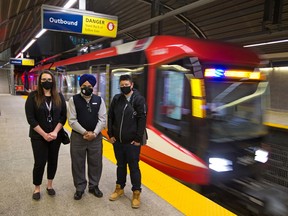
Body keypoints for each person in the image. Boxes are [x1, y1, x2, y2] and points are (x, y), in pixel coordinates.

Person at [25, 70, 67, 201]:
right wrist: (44, 134)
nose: (46, 82)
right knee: (39, 162)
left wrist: (55, 132)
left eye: (49, 79)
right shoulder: (33, 96)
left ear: (53, 81)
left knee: (53, 160)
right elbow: (31, 119)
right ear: (40, 81)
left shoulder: (59, 96)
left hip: (55, 136)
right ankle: (37, 187)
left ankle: (49, 185)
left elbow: (63, 116)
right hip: (38, 136)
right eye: (43, 79)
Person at [108, 74, 147, 208]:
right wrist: (110, 134)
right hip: (117, 141)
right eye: (122, 85)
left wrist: (137, 138)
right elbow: (110, 116)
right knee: (120, 165)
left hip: (132, 142)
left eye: (126, 85)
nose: (124, 87)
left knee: (134, 167)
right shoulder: (117, 98)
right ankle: (119, 188)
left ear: (132, 85)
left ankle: (136, 193)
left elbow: (142, 119)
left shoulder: (138, 99)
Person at [67, 74, 107, 200]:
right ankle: (80, 188)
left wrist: (94, 133)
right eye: (84, 86)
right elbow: (72, 120)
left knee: (96, 162)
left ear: (93, 87)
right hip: (78, 137)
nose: (86, 88)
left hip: (96, 137)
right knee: (77, 163)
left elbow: (103, 119)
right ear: (80, 86)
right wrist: (85, 132)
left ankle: (94, 186)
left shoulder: (99, 100)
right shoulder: (74, 100)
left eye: (89, 86)